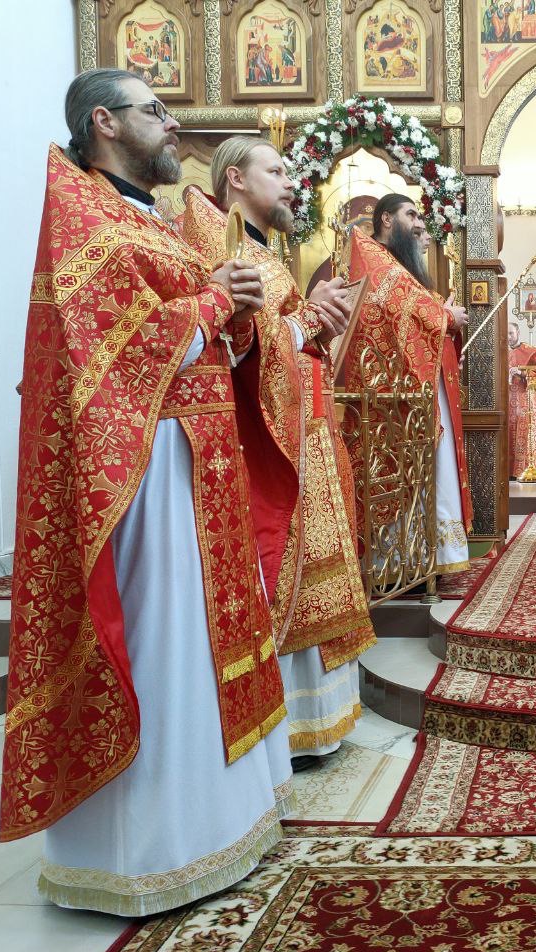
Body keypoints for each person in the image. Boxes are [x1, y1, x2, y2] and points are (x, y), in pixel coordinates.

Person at [1, 68, 292, 916]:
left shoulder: (151, 218)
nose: (172, 124)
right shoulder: (84, 216)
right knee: (164, 638)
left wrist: (235, 320)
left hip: (200, 460)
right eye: (154, 110)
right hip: (146, 466)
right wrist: (213, 300)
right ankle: (148, 851)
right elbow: (109, 343)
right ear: (104, 122)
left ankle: (216, 822)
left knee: (201, 638)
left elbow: (201, 330)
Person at [183, 135, 378, 771]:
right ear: (235, 179)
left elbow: (285, 341)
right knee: (280, 567)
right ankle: (284, 724)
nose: (290, 182)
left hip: (306, 434)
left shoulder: (262, 251)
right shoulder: (221, 243)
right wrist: (306, 322)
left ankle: (318, 721)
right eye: (276, 170)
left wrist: (316, 323)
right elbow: (238, 347)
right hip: (270, 448)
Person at [344, 193, 473, 575]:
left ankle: (423, 555)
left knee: (427, 469)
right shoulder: (371, 256)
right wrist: (443, 316)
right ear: (387, 219)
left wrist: (440, 319)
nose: (419, 224)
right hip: (388, 393)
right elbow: (395, 308)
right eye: (411, 215)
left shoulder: (393, 262)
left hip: (414, 389)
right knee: (401, 472)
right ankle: (398, 561)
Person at [507, 319, 536, 479]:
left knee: (524, 433)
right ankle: (509, 471)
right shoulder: (500, 352)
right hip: (507, 401)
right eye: (506, 334)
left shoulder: (531, 351)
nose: (508, 337)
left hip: (524, 399)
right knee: (508, 432)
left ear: (518, 333)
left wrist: (521, 373)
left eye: (511, 333)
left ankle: (526, 469)